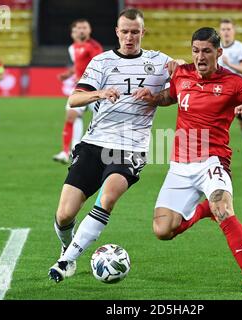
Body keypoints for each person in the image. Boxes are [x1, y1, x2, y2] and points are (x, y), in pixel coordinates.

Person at [133, 27, 242, 293]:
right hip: (180, 164)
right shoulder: (182, 73)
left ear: (218, 53)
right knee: (162, 230)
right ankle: (203, 211)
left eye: (206, 51)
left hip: (212, 161)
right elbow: (173, 96)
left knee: (224, 210)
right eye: (195, 51)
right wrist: (154, 98)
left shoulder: (235, 83)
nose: (200, 57)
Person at [48, 8, 175, 282]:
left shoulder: (160, 62)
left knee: (107, 198)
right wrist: (100, 92)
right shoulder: (101, 62)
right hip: (94, 144)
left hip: (130, 148)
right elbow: (74, 99)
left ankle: (64, 262)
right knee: (64, 214)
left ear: (144, 32)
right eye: (125, 32)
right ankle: (67, 245)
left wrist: (157, 96)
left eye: (135, 32)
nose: (130, 37)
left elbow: (181, 87)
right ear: (117, 33)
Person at [53, 19, 103, 164]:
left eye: (84, 27)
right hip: (80, 89)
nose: (82, 30)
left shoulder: (94, 47)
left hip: (95, 89)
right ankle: (66, 151)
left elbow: (98, 66)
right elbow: (78, 66)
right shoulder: (73, 47)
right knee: (72, 116)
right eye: (79, 28)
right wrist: (68, 74)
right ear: (74, 31)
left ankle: (100, 152)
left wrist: (86, 79)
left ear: (89, 30)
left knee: (101, 121)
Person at [218, 18, 242, 173]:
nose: (226, 32)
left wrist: (229, 64)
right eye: (223, 29)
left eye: (228, 29)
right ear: (220, 31)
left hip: (238, 93)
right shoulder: (216, 48)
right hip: (220, 93)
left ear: (233, 30)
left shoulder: (241, 48)